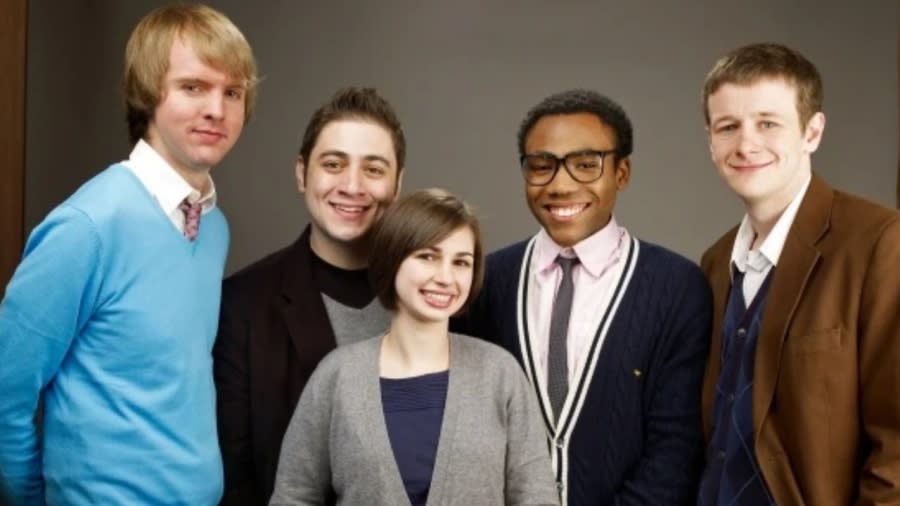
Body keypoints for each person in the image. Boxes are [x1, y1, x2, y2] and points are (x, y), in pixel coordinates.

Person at [0, 4, 257, 504]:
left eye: (233, 92)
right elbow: (5, 391)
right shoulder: (89, 227)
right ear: (148, 94)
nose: (217, 109)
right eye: (193, 87)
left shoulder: (211, 227)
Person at [456, 89, 712, 505]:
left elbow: (675, 452)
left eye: (585, 165)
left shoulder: (676, 286)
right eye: (541, 166)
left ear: (622, 173)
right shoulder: (485, 281)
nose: (560, 185)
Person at [696, 42, 900, 505]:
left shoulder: (880, 243)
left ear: (812, 132)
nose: (746, 144)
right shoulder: (714, 262)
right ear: (710, 141)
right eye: (728, 127)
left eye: (768, 123)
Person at [269, 188, 559, 505]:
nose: (446, 277)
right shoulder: (338, 376)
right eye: (427, 257)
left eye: (461, 262)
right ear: (392, 260)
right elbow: (293, 494)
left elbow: (536, 496)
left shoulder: (499, 373)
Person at [213, 87, 404, 504]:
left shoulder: (441, 301)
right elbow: (235, 477)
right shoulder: (242, 306)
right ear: (302, 174)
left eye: (374, 169)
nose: (352, 186)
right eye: (333, 164)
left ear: (397, 182)